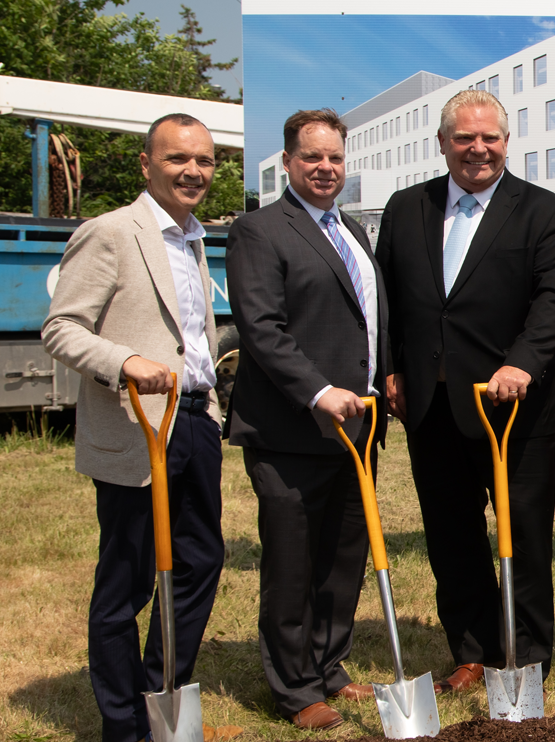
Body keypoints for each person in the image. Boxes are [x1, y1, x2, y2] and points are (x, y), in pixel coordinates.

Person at [375, 89, 555, 695]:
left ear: (506, 143)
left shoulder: (541, 209)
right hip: (431, 406)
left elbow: (552, 301)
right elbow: (385, 299)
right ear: (442, 144)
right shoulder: (407, 207)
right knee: (451, 535)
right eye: (464, 138)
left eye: (489, 137)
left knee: (525, 535)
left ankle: (526, 655)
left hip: (512, 407)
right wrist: (390, 370)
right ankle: (471, 649)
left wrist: (522, 365)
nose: (478, 149)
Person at [42, 114, 228, 742]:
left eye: (203, 160)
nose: (193, 170)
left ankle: (158, 692)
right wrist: (124, 361)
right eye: (178, 158)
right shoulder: (112, 233)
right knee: (127, 579)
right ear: (146, 165)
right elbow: (62, 328)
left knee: (201, 560)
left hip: (196, 421)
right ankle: (123, 724)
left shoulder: (195, 238)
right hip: (138, 425)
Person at [225, 108, 389, 730]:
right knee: (293, 560)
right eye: (313, 157)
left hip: (356, 428)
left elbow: (369, 321)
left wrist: (386, 378)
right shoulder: (260, 231)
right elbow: (262, 329)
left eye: (336, 158)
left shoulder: (352, 232)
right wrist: (319, 390)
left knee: (344, 555)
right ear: (288, 162)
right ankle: (294, 687)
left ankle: (329, 665)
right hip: (291, 429)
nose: (326, 168)